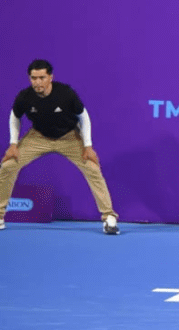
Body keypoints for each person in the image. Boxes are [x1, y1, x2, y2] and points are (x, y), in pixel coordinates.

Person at [0, 60, 120, 235]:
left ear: (50, 77)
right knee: (8, 166)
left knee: (93, 169)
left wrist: (88, 146)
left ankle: (109, 217)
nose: (37, 82)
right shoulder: (25, 97)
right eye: (34, 78)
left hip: (70, 137)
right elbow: (14, 117)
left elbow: (83, 117)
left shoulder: (65, 94)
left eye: (42, 78)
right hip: (38, 137)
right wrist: (13, 144)